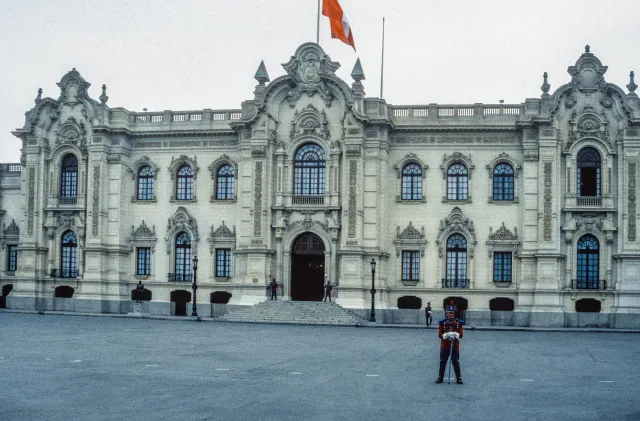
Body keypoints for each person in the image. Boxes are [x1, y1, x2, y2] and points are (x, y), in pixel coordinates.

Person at [436, 305, 464, 384]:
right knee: (442, 361)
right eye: (449, 313)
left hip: (454, 345)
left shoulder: (458, 323)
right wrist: (446, 335)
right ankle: (440, 377)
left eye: (452, 313)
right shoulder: (442, 323)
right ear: (446, 314)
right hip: (444, 345)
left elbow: (461, 335)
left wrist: (455, 334)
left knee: (456, 361)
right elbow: (439, 335)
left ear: (454, 314)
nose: (450, 314)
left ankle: (459, 378)